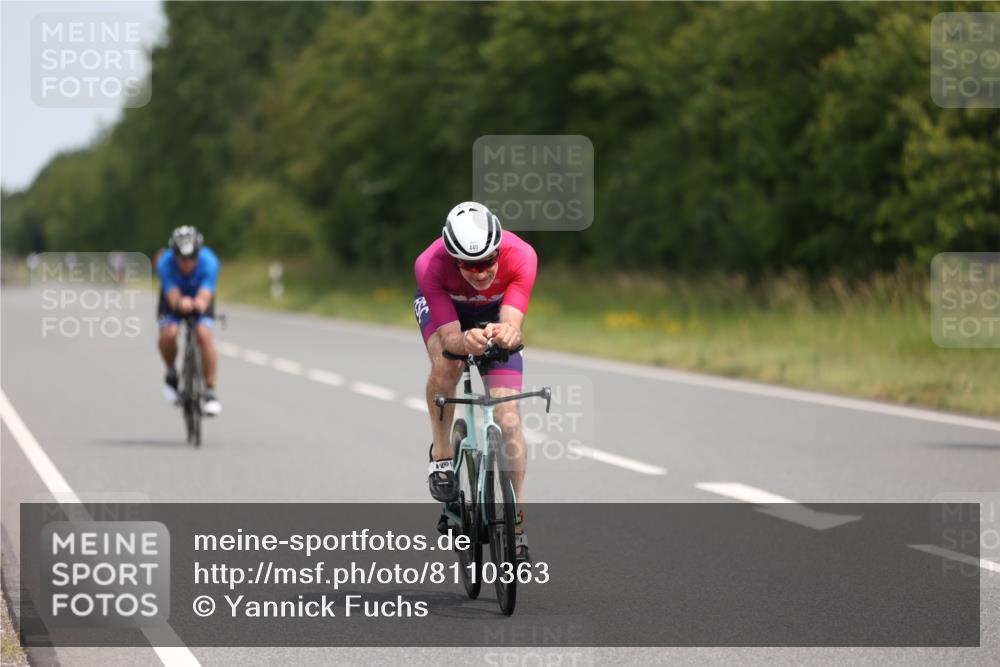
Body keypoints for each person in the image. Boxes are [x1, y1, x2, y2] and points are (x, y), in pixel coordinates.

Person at [414, 202, 537, 560]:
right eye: (470, 265)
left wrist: (508, 335)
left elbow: (512, 324)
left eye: (488, 262)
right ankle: (442, 453)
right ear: (454, 259)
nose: (481, 273)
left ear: (499, 248)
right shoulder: (430, 264)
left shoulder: (522, 256)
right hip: (447, 312)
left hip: (492, 312)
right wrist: (464, 341)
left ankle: (515, 525)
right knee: (448, 365)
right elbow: (451, 337)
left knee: (509, 418)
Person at [156, 226, 222, 416]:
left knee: (203, 334)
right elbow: (171, 293)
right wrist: (179, 302)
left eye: (192, 258)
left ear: (198, 253)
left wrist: (200, 302)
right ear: (174, 255)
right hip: (174, 297)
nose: (187, 264)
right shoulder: (165, 263)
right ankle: (171, 373)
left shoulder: (210, 261)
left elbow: (207, 291)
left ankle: (210, 390)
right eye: (182, 259)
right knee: (169, 334)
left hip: (199, 295)